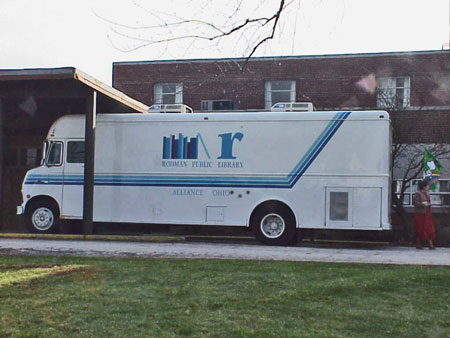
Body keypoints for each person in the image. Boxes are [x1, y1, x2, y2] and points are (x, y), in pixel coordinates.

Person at [412, 180, 436, 250]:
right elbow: (415, 203)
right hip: (420, 214)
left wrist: (429, 204)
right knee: (420, 228)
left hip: (427, 213)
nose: (428, 187)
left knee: (429, 228)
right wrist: (423, 204)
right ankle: (418, 243)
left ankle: (430, 244)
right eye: (427, 186)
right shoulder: (418, 194)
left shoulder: (427, 194)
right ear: (424, 186)